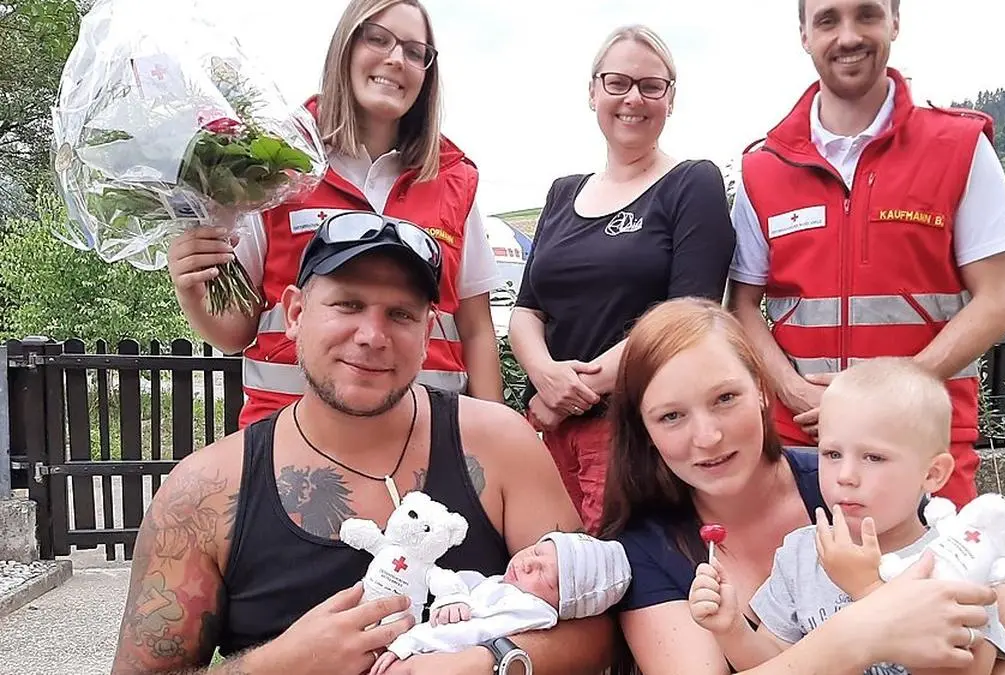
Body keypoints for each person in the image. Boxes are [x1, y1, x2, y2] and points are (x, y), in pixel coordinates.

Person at [111, 211, 613, 675]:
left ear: (427, 332)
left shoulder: (501, 447)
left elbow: (596, 628)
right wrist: (276, 666)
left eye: (401, 314)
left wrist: (488, 661)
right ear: (295, 312)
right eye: (348, 304)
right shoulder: (205, 491)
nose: (373, 335)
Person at [596, 297, 1005, 675]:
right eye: (671, 416)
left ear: (762, 391)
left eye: (725, 398)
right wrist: (854, 633)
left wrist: (868, 608)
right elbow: (765, 652)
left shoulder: (855, 492)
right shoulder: (651, 547)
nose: (708, 437)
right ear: (644, 428)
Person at [726, 0, 1005, 509]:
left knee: (932, 585)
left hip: (921, 438)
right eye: (827, 20)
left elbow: (998, 301)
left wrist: (889, 393)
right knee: (800, 583)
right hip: (804, 440)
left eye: (866, 14)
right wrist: (793, 390)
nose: (848, 36)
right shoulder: (763, 166)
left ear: (895, 21)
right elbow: (741, 307)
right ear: (804, 34)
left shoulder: (958, 146)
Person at [167, 0, 505, 430]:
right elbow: (235, 332)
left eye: (415, 51)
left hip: (426, 439)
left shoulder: (454, 177)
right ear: (344, 48)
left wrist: (493, 437)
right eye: (377, 39)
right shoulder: (274, 165)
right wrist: (191, 285)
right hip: (289, 439)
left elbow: (476, 329)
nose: (396, 59)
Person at [508, 24, 735, 533]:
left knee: (619, 576)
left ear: (670, 100)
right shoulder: (562, 193)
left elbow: (687, 321)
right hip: (545, 430)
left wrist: (569, 393)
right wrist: (544, 378)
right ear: (593, 92)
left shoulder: (691, 183)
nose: (633, 98)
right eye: (617, 83)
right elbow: (526, 309)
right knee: (549, 573)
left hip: (631, 432)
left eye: (651, 86)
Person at [689, 357, 1005, 674]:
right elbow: (781, 661)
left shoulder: (955, 559)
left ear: (933, 474)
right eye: (832, 453)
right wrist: (732, 629)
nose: (845, 475)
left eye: (874, 458)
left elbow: (970, 668)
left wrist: (867, 589)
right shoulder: (802, 553)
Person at [370, 531, 632, 673]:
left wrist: (408, 645)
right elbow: (470, 586)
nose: (529, 563)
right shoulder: (507, 586)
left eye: (546, 575)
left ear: (562, 606)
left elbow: (471, 632)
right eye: (538, 551)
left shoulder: (530, 609)